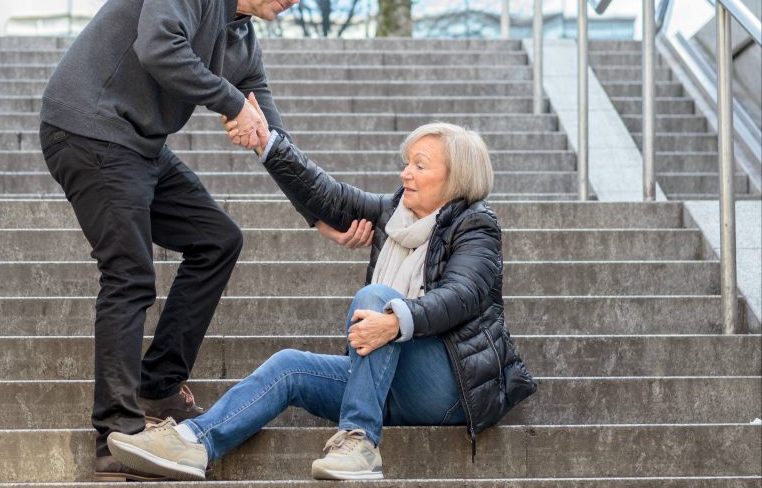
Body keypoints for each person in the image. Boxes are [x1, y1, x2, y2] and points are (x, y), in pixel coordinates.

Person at [37, 0, 325, 481]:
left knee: (218, 239)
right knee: (129, 272)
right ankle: (116, 433)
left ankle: (159, 384)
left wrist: (323, 215)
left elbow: (274, 137)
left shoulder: (242, 42)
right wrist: (229, 101)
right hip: (88, 126)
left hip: (139, 145)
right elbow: (159, 46)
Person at [105, 119, 538, 481]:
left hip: (449, 386)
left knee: (377, 297)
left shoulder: (475, 225)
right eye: (406, 163)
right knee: (289, 366)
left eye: (420, 166)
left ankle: (360, 441)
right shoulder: (394, 215)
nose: (405, 173)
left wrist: (396, 320)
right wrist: (267, 143)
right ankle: (193, 443)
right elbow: (326, 194)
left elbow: (464, 295)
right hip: (387, 382)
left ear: (456, 177)